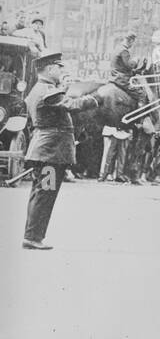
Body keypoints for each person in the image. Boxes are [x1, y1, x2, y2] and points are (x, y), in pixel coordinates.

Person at [20, 52, 101, 249]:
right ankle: (32, 238)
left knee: (41, 193)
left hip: (46, 150)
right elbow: (71, 104)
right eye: (59, 67)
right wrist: (96, 98)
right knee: (45, 194)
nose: (61, 70)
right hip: (51, 152)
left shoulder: (40, 89)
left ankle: (32, 236)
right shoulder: (47, 90)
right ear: (49, 69)